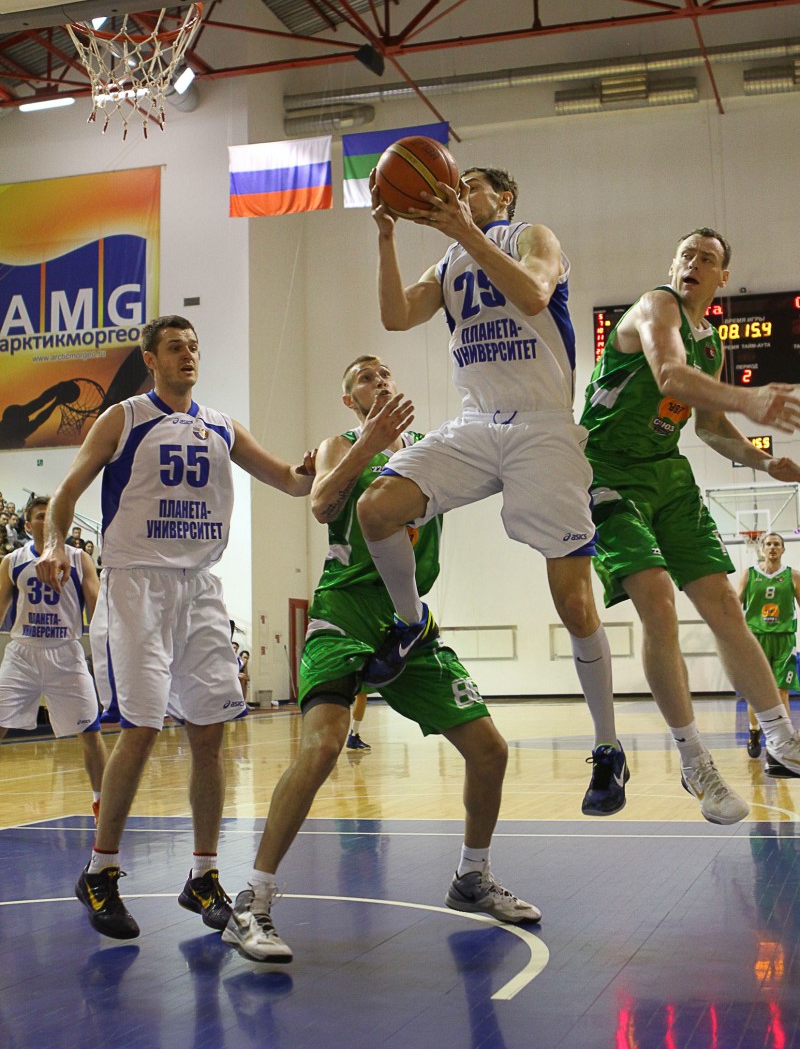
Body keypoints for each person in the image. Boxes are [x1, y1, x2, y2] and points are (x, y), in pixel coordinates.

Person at [222, 356, 539, 963]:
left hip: (409, 619)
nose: (380, 380)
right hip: (346, 610)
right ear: (351, 399)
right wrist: (367, 445)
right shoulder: (340, 443)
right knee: (323, 746)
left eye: (386, 373)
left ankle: (472, 876)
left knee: (491, 751)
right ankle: (252, 900)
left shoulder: (430, 447)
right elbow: (320, 504)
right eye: (365, 377)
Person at [356, 166, 627, 817]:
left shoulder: (532, 236)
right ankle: (412, 621)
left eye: (472, 184)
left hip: (543, 427)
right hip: (477, 422)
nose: (459, 191)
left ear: (503, 197)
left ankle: (608, 747)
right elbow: (396, 315)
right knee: (376, 509)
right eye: (459, 184)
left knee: (574, 604)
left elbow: (533, 294)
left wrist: (465, 231)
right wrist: (387, 235)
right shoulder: (448, 261)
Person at [36, 315, 315, 942]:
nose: (188, 355)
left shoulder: (222, 425)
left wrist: (332, 460)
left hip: (201, 586)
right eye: (174, 347)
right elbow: (67, 492)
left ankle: (204, 875)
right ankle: (99, 871)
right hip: (137, 585)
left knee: (210, 734)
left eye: (193, 346)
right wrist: (55, 542)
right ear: (150, 359)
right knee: (140, 729)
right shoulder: (125, 418)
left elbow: (291, 482)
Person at [580, 227, 800, 823]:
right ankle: (694, 759)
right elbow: (670, 378)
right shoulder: (657, 306)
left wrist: (764, 461)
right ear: (673, 263)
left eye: (707, 258)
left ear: (722, 277)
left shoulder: (712, 344)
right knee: (657, 601)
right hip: (606, 469)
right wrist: (749, 399)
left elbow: (708, 428)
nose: (692, 263)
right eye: (686, 254)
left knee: (725, 605)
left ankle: (781, 736)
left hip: (667, 474)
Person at [0, 495, 106, 820]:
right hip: (23, 654)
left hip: (66, 653)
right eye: (40, 516)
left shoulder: (79, 558)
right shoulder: (12, 561)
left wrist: (106, 650)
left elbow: (97, 608)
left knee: (91, 732)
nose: (46, 520)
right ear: (27, 525)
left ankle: (102, 803)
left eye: (52, 515)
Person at [738, 532, 800, 772]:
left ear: (783, 549)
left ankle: (784, 740)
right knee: (756, 692)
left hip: (784, 638)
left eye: (777, 544)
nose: (772, 547)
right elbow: (735, 603)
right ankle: (754, 731)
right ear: (762, 549)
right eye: (769, 544)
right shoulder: (749, 574)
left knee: (782, 690)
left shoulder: (793, 576)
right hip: (756, 638)